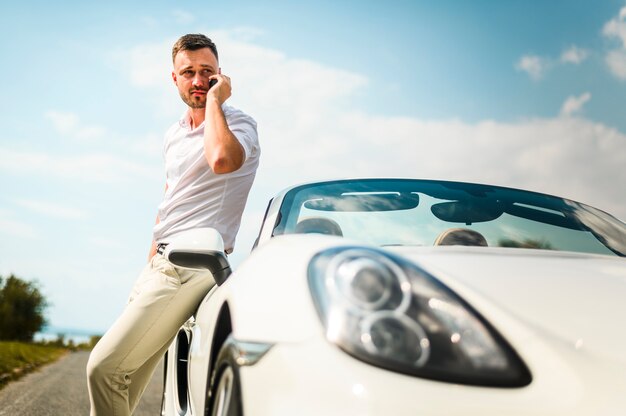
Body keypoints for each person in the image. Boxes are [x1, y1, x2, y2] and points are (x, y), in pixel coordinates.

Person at [86, 33, 260, 416]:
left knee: (102, 370)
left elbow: (221, 160)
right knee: (121, 381)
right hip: (160, 266)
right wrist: (148, 264)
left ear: (220, 76)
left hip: (191, 266)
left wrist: (215, 101)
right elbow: (169, 203)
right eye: (189, 73)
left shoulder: (240, 123)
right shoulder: (174, 133)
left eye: (207, 73)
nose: (198, 81)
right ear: (175, 79)